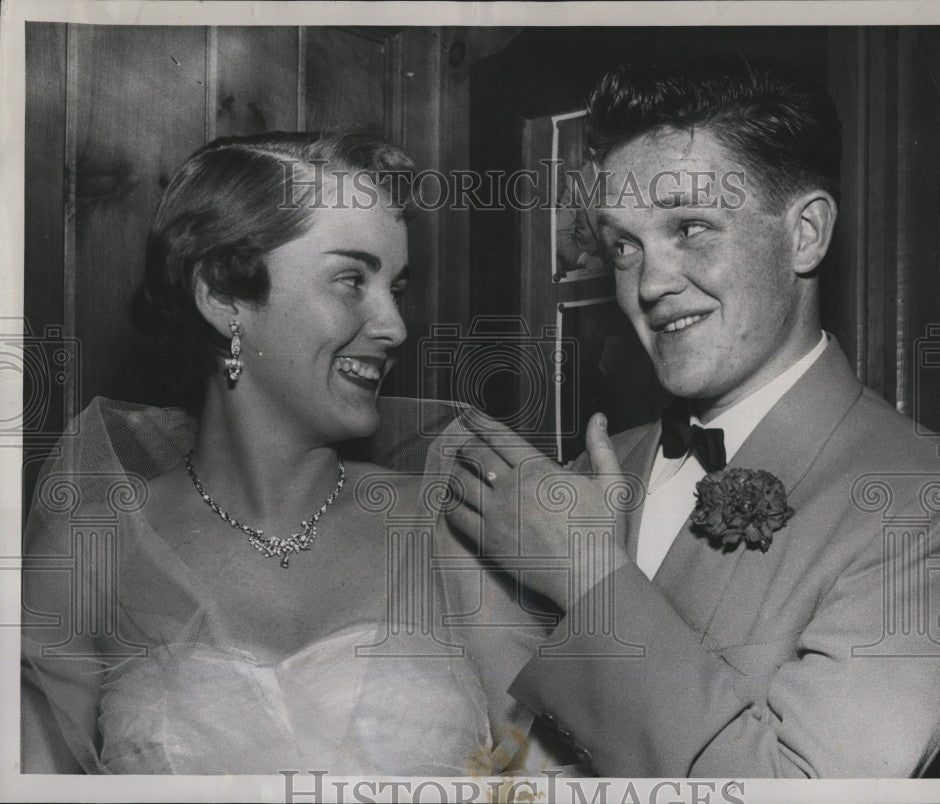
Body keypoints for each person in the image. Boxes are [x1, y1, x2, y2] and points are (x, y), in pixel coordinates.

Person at [445, 58, 940, 777]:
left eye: (691, 227)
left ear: (807, 234)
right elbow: (505, 759)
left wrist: (587, 578)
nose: (651, 283)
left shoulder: (932, 504)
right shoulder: (586, 475)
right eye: (624, 247)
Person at [20, 132, 550, 775]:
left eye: (398, 288)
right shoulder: (88, 548)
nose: (395, 327)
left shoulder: (453, 524)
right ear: (222, 295)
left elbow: (538, 776)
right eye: (351, 280)